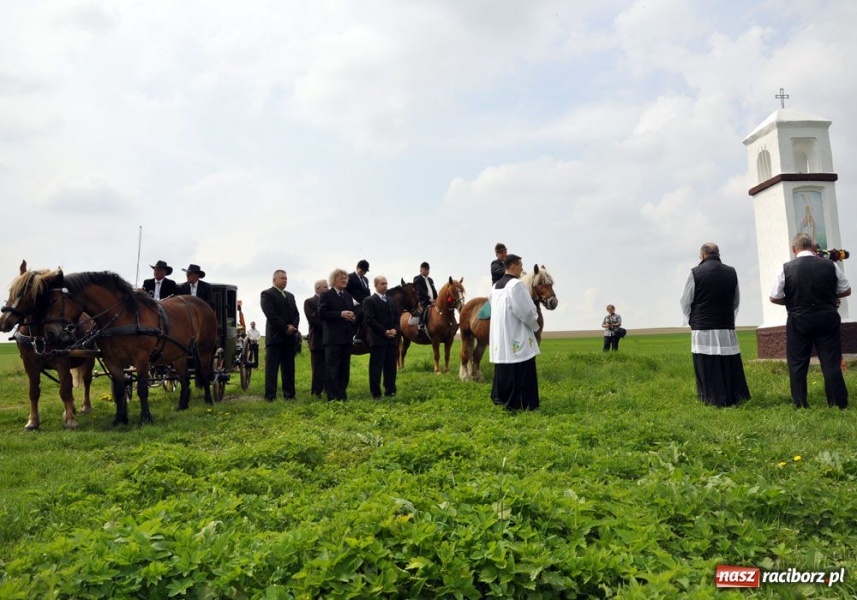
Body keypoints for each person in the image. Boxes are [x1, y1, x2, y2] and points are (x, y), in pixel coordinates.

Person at [770, 232, 851, 409]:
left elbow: (774, 297)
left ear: (794, 249)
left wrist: (792, 301)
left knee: (798, 363)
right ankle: (838, 403)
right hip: (827, 317)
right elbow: (846, 290)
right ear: (813, 247)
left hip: (799, 320)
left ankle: (800, 403)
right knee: (830, 361)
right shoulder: (830, 265)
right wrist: (830, 297)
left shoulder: (785, 268)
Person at [679, 243, 750, 407]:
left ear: (703, 255)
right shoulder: (731, 272)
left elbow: (685, 300)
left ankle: (711, 397)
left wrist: (690, 318)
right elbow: (736, 300)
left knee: (707, 362)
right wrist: (730, 317)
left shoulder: (695, 272)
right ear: (718, 254)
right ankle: (735, 396)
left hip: (702, 325)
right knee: (728, 361)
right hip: (725, 323)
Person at [489, 254, 541, 410]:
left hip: (501, 334)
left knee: (504, 366)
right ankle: (521, 402)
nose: (522, 268)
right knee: (521, 364)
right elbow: (525, 311)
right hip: (516, 332)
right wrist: (535, 322)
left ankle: (501, 398)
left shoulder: (495, 287)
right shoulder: (516, 285)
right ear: (512, 266)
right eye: (520, 265)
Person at [260, 269, 300, 401]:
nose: (285, 281)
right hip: (275, 337)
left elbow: (296, 314)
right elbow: (271, 314)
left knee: (289, 368)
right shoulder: (267, 294)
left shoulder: (290, 295)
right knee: (272, 369)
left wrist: (293, 327)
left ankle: (289, 394)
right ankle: (270, 396)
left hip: (289, 338)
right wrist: (284, 328)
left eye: (286, 279)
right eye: (282, 278)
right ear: (274, 280)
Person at [319, 268, 356, 401]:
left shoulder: (348, 296)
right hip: (332, 340)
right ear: (334, 280)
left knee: (344, 369)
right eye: (342, 278)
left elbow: (352, 312)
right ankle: (333, 398)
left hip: (346, 339)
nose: (344, 280)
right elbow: (321, 314)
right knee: (332, 369)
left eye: (346, 278)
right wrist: (340, 314)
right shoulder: (326, 295)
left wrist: (353, 317)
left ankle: (342, 395)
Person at [362, 275, 400, 399]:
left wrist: (395, 329)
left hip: (392, 340)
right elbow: (370, 320)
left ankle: (390, 390)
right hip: (378, 339)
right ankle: (376, 393)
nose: (385, 286)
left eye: (386, 283)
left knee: (391, 367)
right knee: (376, 368)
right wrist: (384, 332)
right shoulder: (369, 301)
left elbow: (397, 318)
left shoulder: (391, 301)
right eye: (382, 284)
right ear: (376, 285)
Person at [304, 279, 329, 398]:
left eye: (328, 287)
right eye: (325, 287)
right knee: (318, 368)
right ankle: (316, 392)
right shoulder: (310, 302)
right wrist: (330, 328)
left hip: (330, 340)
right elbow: (313, 320)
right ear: (317, 288)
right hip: (317, 340)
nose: (327, 289)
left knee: (329, 367)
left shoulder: (329, 303)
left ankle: (327, 389)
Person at [346, 259, 371, 342]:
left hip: (364, 303)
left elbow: (367, 292)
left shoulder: (366, 280)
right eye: (362, 270)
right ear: (357, 267)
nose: (363, 273)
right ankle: (355, 335)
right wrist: (352, 300)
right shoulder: (349, 277)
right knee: (360, 312)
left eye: (365, 271)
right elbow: (346, 291)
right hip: (353, 302)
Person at [413, 261, 437, 334]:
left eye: (428, 270)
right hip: (423, 301)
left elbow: (434, 290)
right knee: (423, 309)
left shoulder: (430, 280)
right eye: (425, 269)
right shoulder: (417, 279)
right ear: (421, 270)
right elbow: (420, 291)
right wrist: (429, 298)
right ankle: (421, 325)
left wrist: (437, 299)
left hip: (433, 301)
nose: (427, 271)